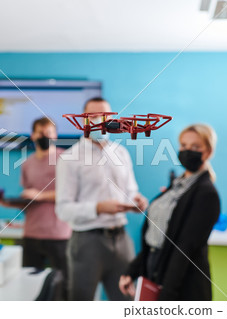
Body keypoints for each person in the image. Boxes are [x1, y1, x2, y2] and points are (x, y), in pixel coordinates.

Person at [56, 97, 148, 301]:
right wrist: (98, 208)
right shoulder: (70, 158)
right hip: (87, 241)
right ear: (84, 120)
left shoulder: (121, 153)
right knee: (82, 303)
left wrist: (137, 201)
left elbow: (132, 190)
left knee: (127, 302)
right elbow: (63, 209)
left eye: (105, 116)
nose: (100, 120)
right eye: (94, 116)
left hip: (122, 240)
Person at [119, 124, 220, 301]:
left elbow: (184, 249)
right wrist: (132, 271)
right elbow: (156, 237)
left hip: (182, 285)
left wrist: (166, 296)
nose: (188, 151)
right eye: (183, 145)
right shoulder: (175, 187)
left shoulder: (206, 194)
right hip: (154, 273)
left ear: (208, 152)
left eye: (195, 147)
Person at [0, 117, 71, 286]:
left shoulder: (67, 159)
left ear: (55, 136)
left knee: (64, 285)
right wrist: (8, 203)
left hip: (59, 235)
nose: (45, 136)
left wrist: (40, 195)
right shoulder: (27, 163)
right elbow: (29, 199)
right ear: (33, 135)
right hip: (31, 234)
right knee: (29, 284)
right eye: (41, 133)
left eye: (49, 133)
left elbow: (71, 195)